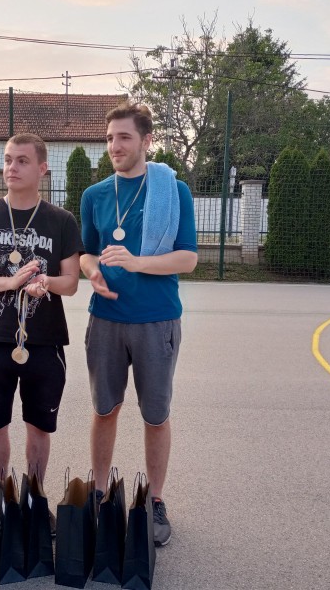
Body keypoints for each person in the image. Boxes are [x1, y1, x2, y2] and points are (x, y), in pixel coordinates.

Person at [79, 103, 198, 547]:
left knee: (156, 415)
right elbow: (85, 252)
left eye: (124, 137)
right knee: (104, 410)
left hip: (156, 319)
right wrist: (92, 271)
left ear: (147, 141)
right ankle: (98, 493)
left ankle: (155, 500)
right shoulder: (95, 195)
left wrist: (137, 262)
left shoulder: (172, 190)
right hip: (106, 319)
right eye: (110, 138)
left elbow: (188, 258)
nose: (115, 145)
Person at [0, 133, 83, 492]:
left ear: (42, 168)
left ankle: (34, 497)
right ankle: (0, 499)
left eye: (22, 161)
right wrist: (10, 283)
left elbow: (71, 283)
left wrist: (44, 281)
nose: (12, 167)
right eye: (8, 160)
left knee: (39, 426)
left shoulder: (61, 221)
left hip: (45, 339)